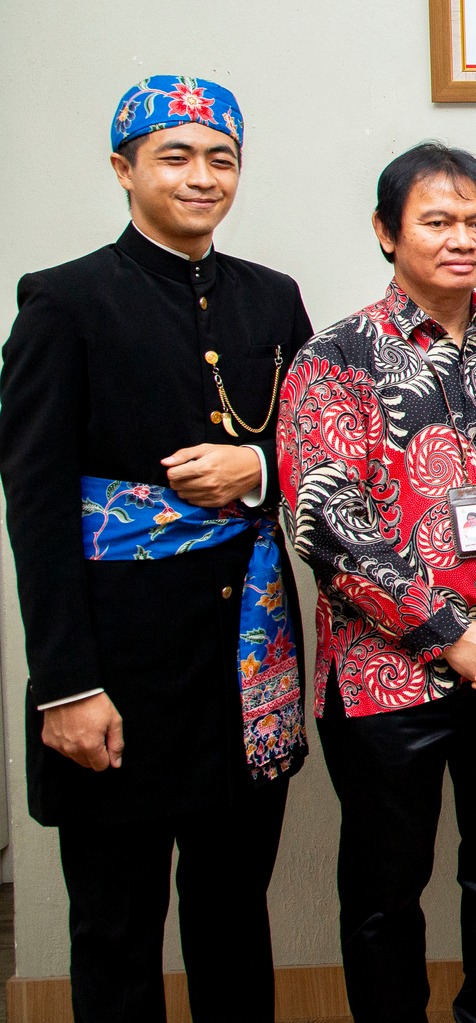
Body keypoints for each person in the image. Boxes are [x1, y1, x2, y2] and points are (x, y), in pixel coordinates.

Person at [0, 77, 312, 1023]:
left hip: (246, 662)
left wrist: (257, 467)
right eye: (175, 156)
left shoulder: (271, 298)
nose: (202, 176)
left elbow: (319, 450)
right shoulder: (63, 300)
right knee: (116, 926)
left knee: (234, 913)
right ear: (123, 168)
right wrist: (66, 684)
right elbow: (37, 506)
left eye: (222, 158)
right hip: (118, 670)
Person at [278, 142, 476, 1023]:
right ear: (387, 231)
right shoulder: (335, 357)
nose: (462, 238)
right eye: (438, 220)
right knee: (383, 892)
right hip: (387, 679)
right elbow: (329, 526)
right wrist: (449, 633)